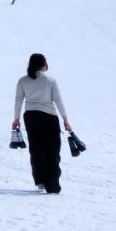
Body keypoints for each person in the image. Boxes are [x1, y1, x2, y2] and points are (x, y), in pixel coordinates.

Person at [13, 53, 71, 194]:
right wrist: (65, 119)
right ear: (43, 64)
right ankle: (53, 185)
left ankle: (40, 181)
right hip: (49, 117)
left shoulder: (23, 81)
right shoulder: (50, 81)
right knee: (52, 151)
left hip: (31, 117)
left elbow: (18, 100)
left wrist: (16, 119)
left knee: (36, 149)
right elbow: (58, 100)